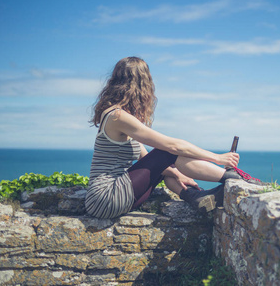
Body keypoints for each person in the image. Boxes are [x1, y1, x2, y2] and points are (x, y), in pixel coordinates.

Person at [86, 56, 263, 219]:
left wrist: (178, 174)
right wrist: (217, 158)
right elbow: (173, 147)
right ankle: (230, 177)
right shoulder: (117, 116)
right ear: (142, 84)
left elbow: (146, 159)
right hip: (106, 197)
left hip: (114, 199)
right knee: (165, 153)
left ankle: (194, 196)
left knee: (167, 163)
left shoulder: (122, 117)